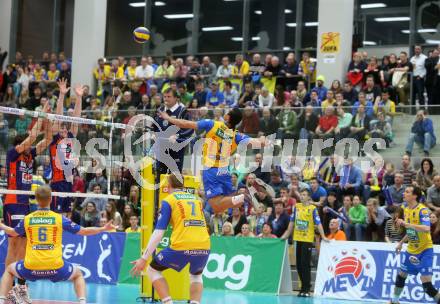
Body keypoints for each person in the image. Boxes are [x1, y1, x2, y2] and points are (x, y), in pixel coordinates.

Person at [0, 186, 115, 304]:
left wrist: (2, 225)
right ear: (51, 199)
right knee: (78, 275)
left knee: (9, 271)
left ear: (36, 200)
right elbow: (84, 231)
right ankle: (82, 302)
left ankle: (2, 300)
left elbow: (13, 232)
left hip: (31, 267)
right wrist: (103, 228)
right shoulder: (59, 219)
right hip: (55, 267)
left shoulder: (28, 219)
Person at [158, 107, 265, 213]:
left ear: (227, 117)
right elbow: (259, 143)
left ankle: (244, 196)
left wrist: (168, 118)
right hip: (224, 171)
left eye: (227, 112)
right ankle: (243, 196)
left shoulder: (213, 124)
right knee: (225, 205)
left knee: (215, 205)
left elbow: (185, 123)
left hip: (211, 170)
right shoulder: (236, 135)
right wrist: (263, 139)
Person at [130, 175, 210, 304]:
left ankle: (168, 302)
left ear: (168, 185)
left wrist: (144, 258)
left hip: (182, 245)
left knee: (152, 270)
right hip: (204, 245)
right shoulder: (197, 199)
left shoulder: (169, 200)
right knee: (196, 275)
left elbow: (159, 232)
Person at [3, 102, 51, 303]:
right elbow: (33, 137)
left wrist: (47, 117)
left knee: (24, 246)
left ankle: (19, 288)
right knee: (13, 245)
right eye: (28, 144)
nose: (31, 146)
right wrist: (40, 114)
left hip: (25, 204)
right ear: (21, 143)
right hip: (13, 201)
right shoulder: (13, 154)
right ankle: (9, 287)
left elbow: (47, 138)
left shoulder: (30, 157)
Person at [389, 186, 440, 304]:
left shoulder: (423, 210)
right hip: (411, 249)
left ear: (414, 196)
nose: (404, 193)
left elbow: (426, 228)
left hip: (425, 250)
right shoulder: (405, 208)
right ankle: (394, 301)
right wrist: (401, 243)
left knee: (427, 286)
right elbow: (411, 231)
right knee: (401, 275)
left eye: (407, 192)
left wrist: (406, 224)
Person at [281, 189, 328, 297]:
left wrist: (323, 236)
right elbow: (292, 222)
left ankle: (306, 288)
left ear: (308, 197)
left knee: (305, 264)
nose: (302, 196)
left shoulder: (312, 209)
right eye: (301, 194)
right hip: (298, 239)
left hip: (307, 240)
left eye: (304, 195)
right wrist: (285, 236)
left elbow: (318, 223)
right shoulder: (297, 207)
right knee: (298, 265)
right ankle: (302, 288)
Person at [49, 79, 84, 215]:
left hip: (69, 181)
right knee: (56, 214)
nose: (63, 130)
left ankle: (66, 236)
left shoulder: (71, 137)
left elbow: (77, 118)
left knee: (67, 214)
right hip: (57, 182)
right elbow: (58, 117)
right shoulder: (55, 138)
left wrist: (79, 97)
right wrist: (62, 95)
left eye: (65, 128)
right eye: (61, 128)